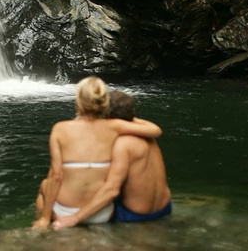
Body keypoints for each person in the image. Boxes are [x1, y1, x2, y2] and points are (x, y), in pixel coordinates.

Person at [31, 77, 163, 229]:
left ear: (78, 101)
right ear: (103, 102)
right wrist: (126, 117)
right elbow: (155, 130)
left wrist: (45, 218)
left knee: (44, 185)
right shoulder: (114, 126)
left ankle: (45, 221)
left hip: (64, 212)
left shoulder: (60, 128)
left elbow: (56, 175)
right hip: (101, 213)